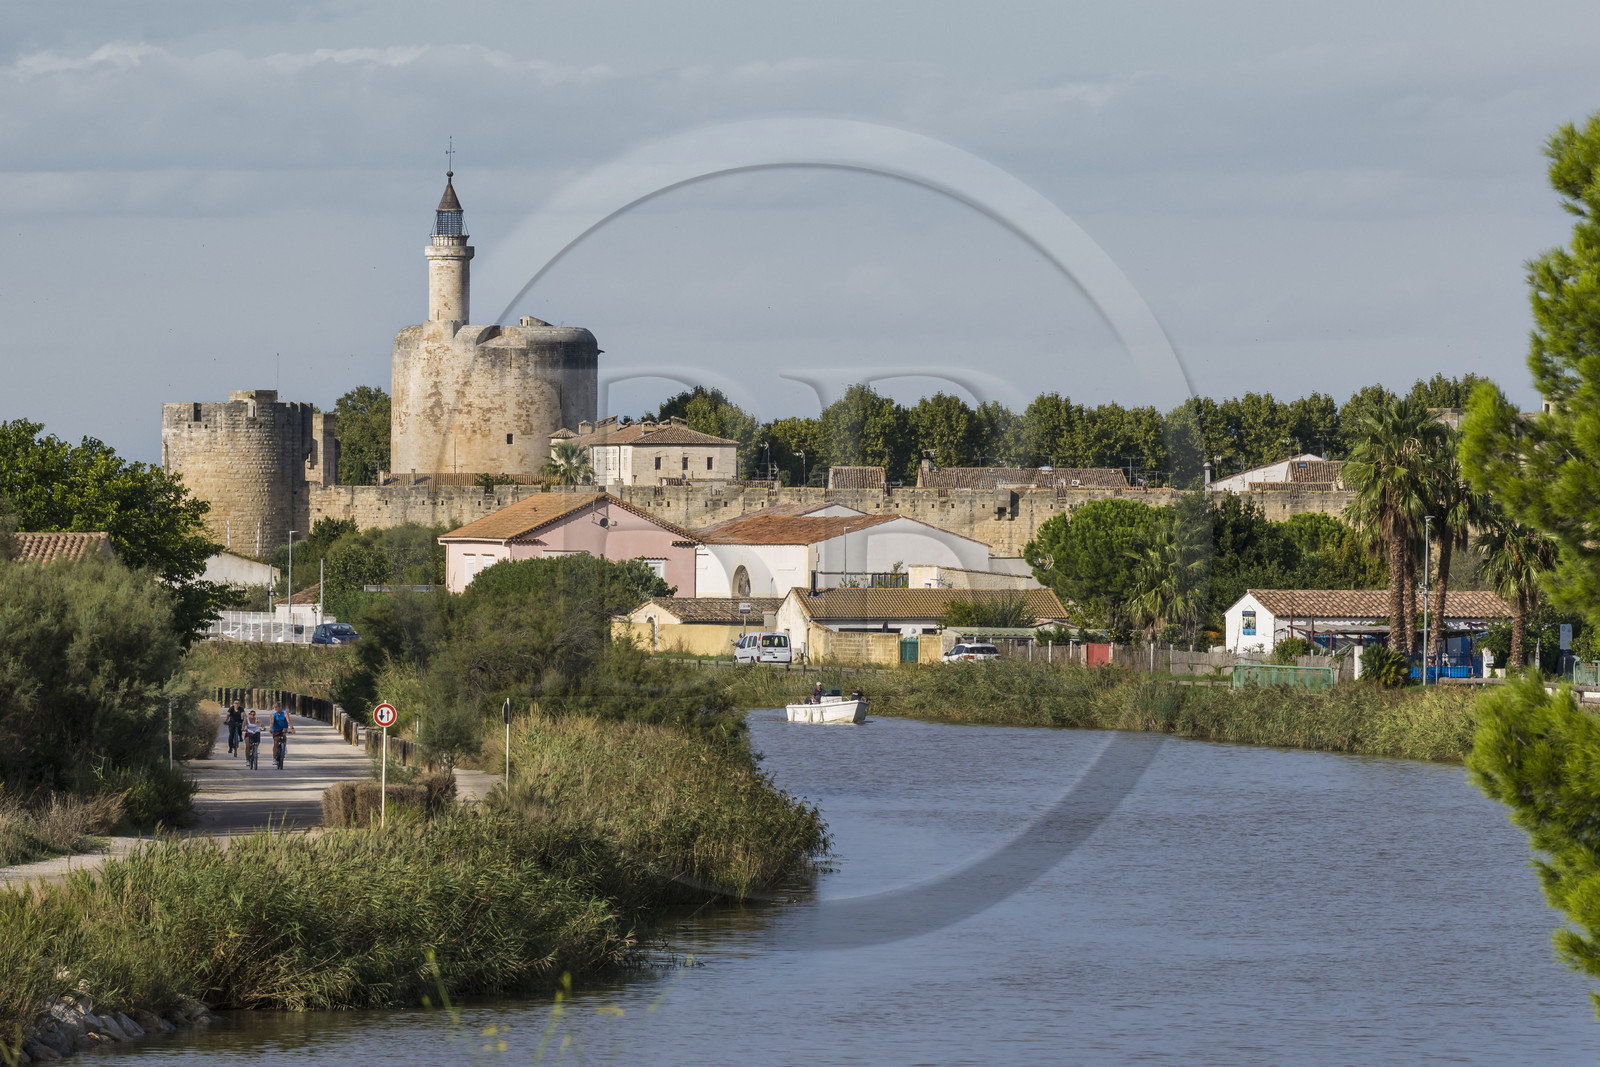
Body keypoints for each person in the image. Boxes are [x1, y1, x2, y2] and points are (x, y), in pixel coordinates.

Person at [270, 700, 296, 769]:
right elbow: (271, 722)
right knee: (276, 741)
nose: (275, 709)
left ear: (280, 707)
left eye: (276, 708)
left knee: (284, 735)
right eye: (274, 708)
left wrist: (292, 728)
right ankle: (274, 758)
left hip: (283, 727)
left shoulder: (285, 712)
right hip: (276, 728)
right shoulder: (273, 713)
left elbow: (289, 721)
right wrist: (271, 728)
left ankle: (284, 746)